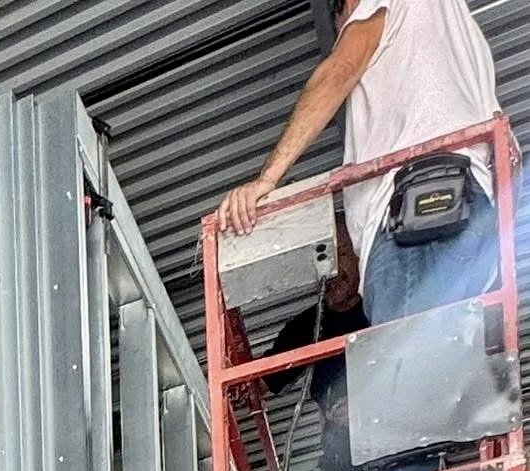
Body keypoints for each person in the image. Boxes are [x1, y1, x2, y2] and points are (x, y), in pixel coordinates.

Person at [217, 0, 506, 328]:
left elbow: (342, 67)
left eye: (340, 26)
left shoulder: (377, 7)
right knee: (452, 358)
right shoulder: (465, 42)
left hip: (417, 214)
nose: (344, 33)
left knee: (407, 363)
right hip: (470, 209)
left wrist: (267, 180)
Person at [266, 224, 370, 471]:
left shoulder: (386, 304)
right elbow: (258, 384)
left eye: (343, 254)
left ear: (361, 253)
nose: (334, 271)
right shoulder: (307, 326)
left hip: (402, 457)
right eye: (325, 259)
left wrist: (373, 407)